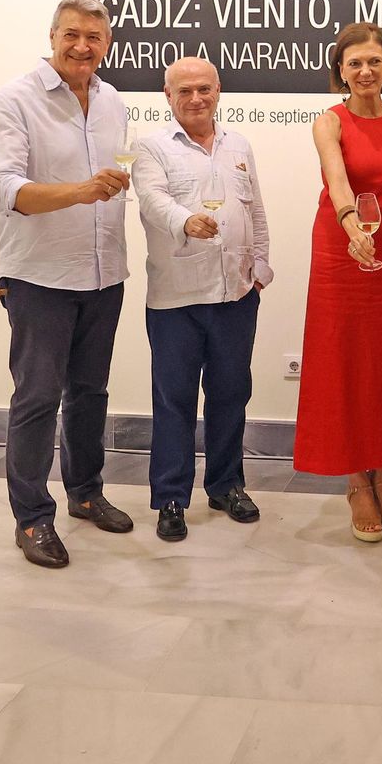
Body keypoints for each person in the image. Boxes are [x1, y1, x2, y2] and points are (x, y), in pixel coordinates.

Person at [0, 0, 134, 569]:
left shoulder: (113, 101)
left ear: (107, 44)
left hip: (103, 272)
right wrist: (80, 190)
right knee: (38, 399)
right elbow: (5, 190)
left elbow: (119, 175)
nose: (82, 47)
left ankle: (86, 492)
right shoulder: (14, 100)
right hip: (38, 277)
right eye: (72, 35)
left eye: (94, 38)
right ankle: (31, 518)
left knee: (90, 394)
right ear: (53, 37)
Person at [292, 23, 382, 542]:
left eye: (373, 61)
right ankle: (356, 482)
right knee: (346, 362)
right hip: (342, 252)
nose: (364, 71)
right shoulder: (330, 121)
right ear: (340, 72)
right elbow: (337, 180)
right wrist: (351, 224)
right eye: (354, 64)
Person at [132, 57, 271, 542]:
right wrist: (184, 221)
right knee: (174, 401)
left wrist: (262, 268)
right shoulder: (151, 147)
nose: (196, 98)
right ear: (167, 96)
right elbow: (151, 199)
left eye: (204, 89)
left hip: (236, 293)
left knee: (232, 394)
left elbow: (254, 211)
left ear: (219, 91)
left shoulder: (239, 145)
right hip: (176, 300)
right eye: (184, 90)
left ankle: (226, 485)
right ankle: (171, 497)